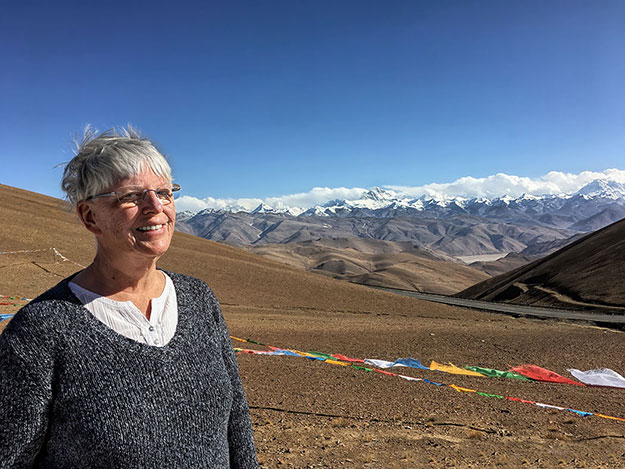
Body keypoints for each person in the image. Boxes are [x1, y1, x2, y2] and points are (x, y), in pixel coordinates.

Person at [0, 127, 258, 468]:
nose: (155, 207)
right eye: (131, 196)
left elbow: (236, 422)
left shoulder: (199, 299)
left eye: (164, 193)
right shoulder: (42, 331)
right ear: (90, 216)